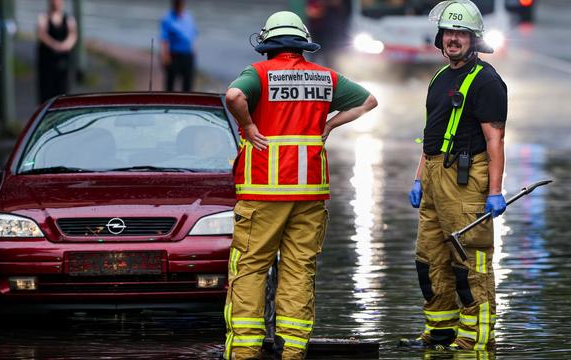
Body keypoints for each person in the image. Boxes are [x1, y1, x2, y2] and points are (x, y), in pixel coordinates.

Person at [223, 11, 377, 359]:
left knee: (250, 267)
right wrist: (331, 125)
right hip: (309, 192)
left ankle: (245, 352)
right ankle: (292, 350)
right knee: (299, 268)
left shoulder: (258, 74)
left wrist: (247, 126)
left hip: (263, 190)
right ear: (303, 44)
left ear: (268, 45)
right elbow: (368, 101)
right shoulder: (325, 78)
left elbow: (234, 97)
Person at [403, 0, 508, 351]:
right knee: (429, 259)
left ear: (474, 39)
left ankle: (475, 340)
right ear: (440, 37)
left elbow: (495, 139)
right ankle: (441, 332)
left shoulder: (487, 81)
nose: (453, 39)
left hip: (466, 182)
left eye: (461, 33)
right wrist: (419, 178)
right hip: (434, 176)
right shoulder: (439, 76)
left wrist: (495, 190)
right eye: (449, 32)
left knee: (469, 263)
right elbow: (431, 133)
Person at [37, 0, 78, 103]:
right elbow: (41, 34)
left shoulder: (68, 18)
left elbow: (73, 34)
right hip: (48, 59)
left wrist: (66, 45)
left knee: (63, 86)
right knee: (47, 87)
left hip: (63, 58)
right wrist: (54, 45)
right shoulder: (43, 17)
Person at [160, 0, 197, 92]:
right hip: (174, 55)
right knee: (170, 83)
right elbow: (164, 38)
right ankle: (168, 103)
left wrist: (194, 50)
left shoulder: (188, 16)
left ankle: (187, 103)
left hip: (187, 55)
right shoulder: (167, 18)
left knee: (187, 83)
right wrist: (165, 55)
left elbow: (193, 35)